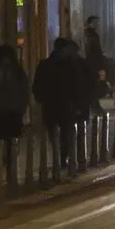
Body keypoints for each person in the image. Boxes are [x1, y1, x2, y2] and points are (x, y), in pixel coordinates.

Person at [32, 39, 87, 171]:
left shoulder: (45, 65)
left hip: (51, 105)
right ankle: (63, 159)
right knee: (65, 134)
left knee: (55, 134)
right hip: (65, 105)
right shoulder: (69, 66)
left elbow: (37, 86)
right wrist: (77, 103)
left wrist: (42, 98)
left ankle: (60, 159)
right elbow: (77, 85)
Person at [0, 44, 30, 150]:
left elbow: (24, 90)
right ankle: (3, 162)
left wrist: (22, 108)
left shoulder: (18, 71)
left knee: (13, 142)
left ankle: (11, 163)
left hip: (13, 111)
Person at [83, 15, 107, 112]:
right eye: (96, 22)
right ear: (91, 22)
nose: (98, 24)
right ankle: (94, 105)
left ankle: (94, 104)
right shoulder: (89, 35)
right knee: (93, 85)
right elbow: (93, 50)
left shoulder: (90, 34)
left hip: (92, 62)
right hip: (92, 63)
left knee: (93, 85)